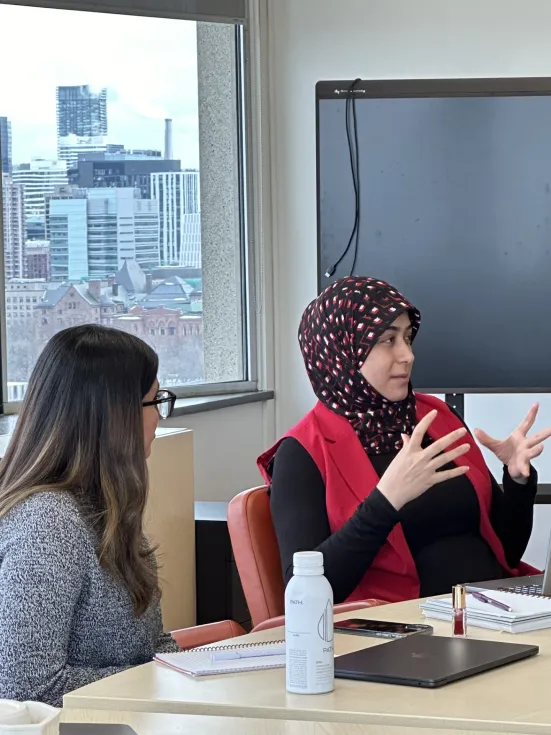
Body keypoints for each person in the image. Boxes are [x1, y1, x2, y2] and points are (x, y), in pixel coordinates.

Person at [258, 276, 551, 604]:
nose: (407, 355)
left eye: (408, 338)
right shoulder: (302, 452)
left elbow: (506, 553)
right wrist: (385, 502)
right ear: (343, 350)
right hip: (402, 637)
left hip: (493, 611)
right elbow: (305, 596)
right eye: (388, 339)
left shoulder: (436, 416)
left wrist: (516, 481)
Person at [0, 325, 180, 706]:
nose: (159, 418)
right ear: (113, 415)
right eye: (155, 401)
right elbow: (25, 690)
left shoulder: (107, 507)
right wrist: (153, 681)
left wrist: (190, 674)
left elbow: (152, 643)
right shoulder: (49, 523)